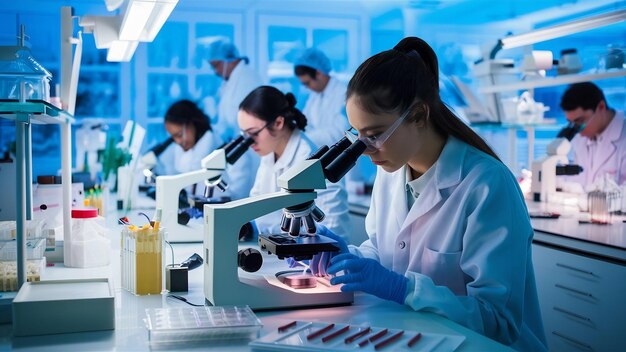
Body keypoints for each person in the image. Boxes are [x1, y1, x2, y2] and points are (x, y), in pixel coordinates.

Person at [305, 37, 547, 351]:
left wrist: (404, 289)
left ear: (419, 115)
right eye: (357, 135)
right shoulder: (391, 169)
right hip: (414, 337)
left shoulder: (486, 184)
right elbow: (383, 250)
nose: (364, 151)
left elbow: (498, 322)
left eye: (375, 135)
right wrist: (351, 259)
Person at [237, 85, 351, 241]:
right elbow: (257, 208)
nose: (249, 142)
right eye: (244, 135)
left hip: (313, 258)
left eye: (253, 133)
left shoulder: (309, 158)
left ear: (278, 123)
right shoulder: (269, 155)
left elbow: (333, 227)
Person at [161, 99, 257, 200]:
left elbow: (236, 198)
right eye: (173, 137)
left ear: (192, 124)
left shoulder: (234, 156)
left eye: (179, 135)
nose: (178, 142)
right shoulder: (187, 154)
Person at [559, 82, 626, 188]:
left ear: (601, 107)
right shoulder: (579, 140)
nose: (577, 130)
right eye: (572, 123)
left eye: (580, 121)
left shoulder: (623, 137)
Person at [206, 38, 263, 142]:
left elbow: (246, 120)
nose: (215, 71)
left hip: (249, 145)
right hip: (237, 142)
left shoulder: (248, 79)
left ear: (229, 59)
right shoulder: (230, 81)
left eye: (216, 65)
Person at [294, 48, 349, 148]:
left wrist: (304, 138)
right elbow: (306, 123)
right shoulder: (315, 95)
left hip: (339, 157)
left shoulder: (344, 94)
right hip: (319, 152)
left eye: (307, 83)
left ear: (319, 73)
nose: (307, 87)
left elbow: (340, 133)